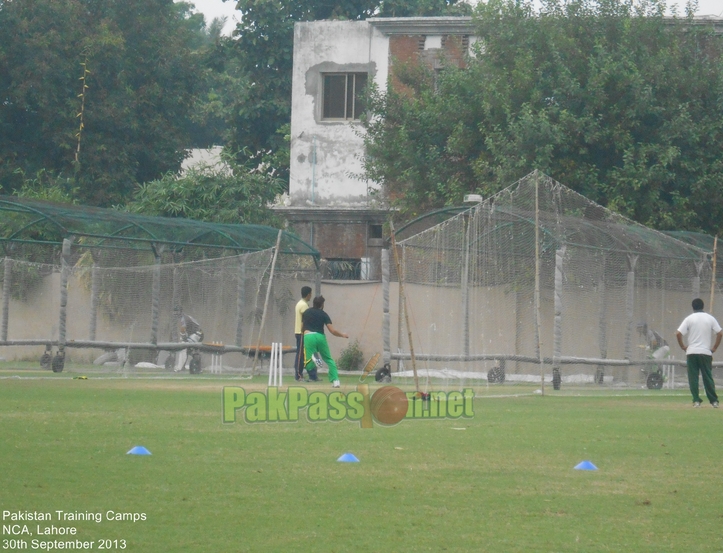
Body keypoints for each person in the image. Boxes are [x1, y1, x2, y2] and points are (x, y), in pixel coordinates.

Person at [675, 298, 722, 408]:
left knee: (693, 377)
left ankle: (696, 400)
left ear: (693, 307)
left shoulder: (689, 319)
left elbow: (678, 334)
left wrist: (683, 346)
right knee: (707, 377)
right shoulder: (710, 318)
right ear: (703, 306)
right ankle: (714, 401)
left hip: (692, 352)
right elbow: (720, 333)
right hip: (705, 352)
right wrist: (714, 347)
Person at [301, 295, 348, 388]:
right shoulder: (324, 314)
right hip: (320, 336)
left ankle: (314, 359)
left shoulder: (306, 312)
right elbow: (332, 331)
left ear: (313, 303)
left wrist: (304, 337)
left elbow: (301, 328)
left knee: (308, 360)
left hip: (308, 336)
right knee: (328, 359)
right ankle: (336, 381)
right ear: (322, 305)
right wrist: (342, 335)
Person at [294, 286, 312, 381]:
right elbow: (305, 320)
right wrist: (304, 331)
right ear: (308, 294)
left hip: (299, 332)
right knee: (300, 354)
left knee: (301, 354)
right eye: (310, 294)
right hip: (300, 333)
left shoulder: (300, 303)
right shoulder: (304, 305)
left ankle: (300, 374)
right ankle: (298, 375)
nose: (311, 296)